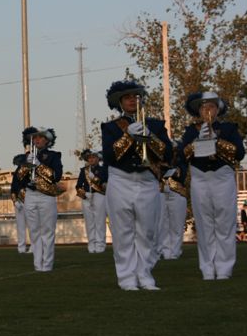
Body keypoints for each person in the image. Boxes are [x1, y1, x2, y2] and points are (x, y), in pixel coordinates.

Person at [101, 80, 172, 291]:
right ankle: (127, 278)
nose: (132, 100)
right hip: (120, 180)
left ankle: (145, 275)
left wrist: (150, 137)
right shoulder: (111, 127)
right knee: (122, 232)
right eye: (127, 97)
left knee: (147, 232)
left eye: (136, 97)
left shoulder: (156, 125)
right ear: (120, 102)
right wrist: (127, 136)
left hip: (147, 180)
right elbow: (109, 156)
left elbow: (168, 154)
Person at [180, 92, 245, 280]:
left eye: (211, 107)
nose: (207, 110)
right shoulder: (191, 131)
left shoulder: (229, 129)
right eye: (203, 107)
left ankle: (224, 268)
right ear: (198, 111)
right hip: (200, 178)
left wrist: (218, 140)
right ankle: (207, 269)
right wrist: (196, 142)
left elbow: (239, 153)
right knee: (204, 225)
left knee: (225, 224)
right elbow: (182, 155)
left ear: (218, 110)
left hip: (222, 178)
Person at [14, 127, 62, 271]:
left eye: (40, 137)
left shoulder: (53, 156)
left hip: (46, 196)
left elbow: (55, 176)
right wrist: (25, 165)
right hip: (30, 195)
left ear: (47, 141)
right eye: (35, 138)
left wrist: (39, 165)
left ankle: (47, 264)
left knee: (47, 231)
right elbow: (19, 178)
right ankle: (37, 264)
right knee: (34, 231)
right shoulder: (28, 156)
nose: (37, 140)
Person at [155, 140, 188, 260]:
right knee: (162, 224)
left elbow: (180, 174)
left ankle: (175, 251)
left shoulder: (181, 161)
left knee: (176, 225)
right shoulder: (160, 160)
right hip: (162, 193)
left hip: (177, 193)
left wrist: (168, 168)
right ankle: (165, 251)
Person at [75, 149, 108, 254]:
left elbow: (105, 184)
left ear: (98, 159)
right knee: (89, 222)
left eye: (93, 157)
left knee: (99, 221)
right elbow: (78, 186)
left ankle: (100, 244)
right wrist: (84, 194)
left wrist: (95, 179)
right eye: (89, 158)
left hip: (99, 195)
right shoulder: (83, 171)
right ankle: (91, 243)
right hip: (87, 197)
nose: (91, 159)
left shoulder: (103, 169)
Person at [10, 153, 30, 254]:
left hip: (30, 201)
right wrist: (15, 201)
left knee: (32, 226)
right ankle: (21, 247)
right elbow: (13, 189)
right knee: (20, 226)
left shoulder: (30, 172)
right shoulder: (16, 173)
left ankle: (34, 246)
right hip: (19, 202)